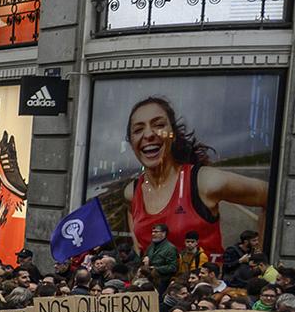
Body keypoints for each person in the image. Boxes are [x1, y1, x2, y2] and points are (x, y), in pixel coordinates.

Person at [115, 96, 269, 255]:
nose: (148, 134)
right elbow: (139, 243)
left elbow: (269, 195)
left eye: (159, 125)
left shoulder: (204, 182)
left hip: (202, 278)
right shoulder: (132, 192)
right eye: (138, 129)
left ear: (172, 134)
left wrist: (258, 261)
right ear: (131, 142)